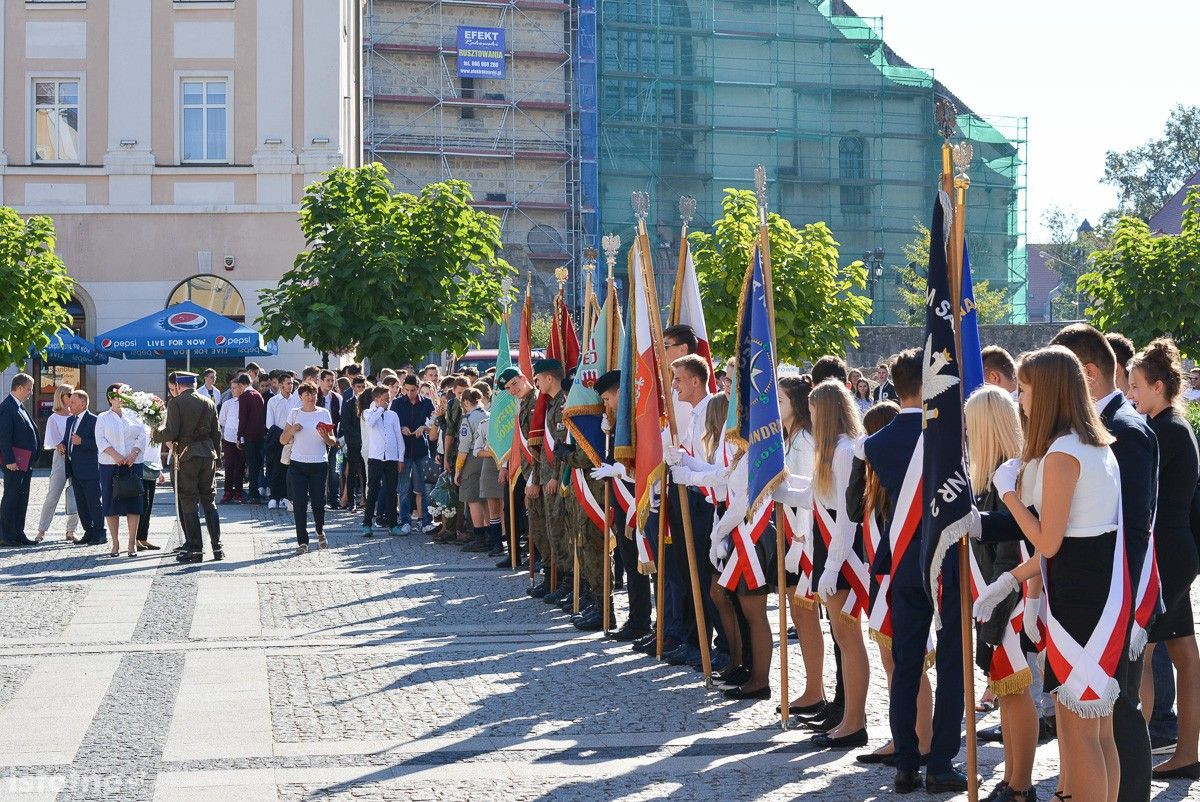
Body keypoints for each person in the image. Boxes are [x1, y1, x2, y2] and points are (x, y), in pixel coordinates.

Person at [974, 345, 1125, 802]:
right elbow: (1072, 539)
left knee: (1081, 734)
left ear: (1050, 394)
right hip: (1095, 589)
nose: (1019, 399)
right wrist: (1014, 579)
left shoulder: (1063, 452)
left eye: (1023, 390)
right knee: (1097, 729)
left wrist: (1009, 494)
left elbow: (1050, 541)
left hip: (1080, 599)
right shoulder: (1095, 444)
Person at [1048, 323, 1157, 802]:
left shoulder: (1126, 430)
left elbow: (1132, 528)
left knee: (1118, 713)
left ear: (1088, 373)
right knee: (1099, 717)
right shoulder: (1099, 428)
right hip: (1098, 590)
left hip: (1110, 595)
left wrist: (1127, 607)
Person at [863, 347, 967, 793]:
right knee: (950, 663)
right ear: (927, 387)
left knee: (905, 666)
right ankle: (941, 760)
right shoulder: (949, 436)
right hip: (946, 563)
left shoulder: (876, 443)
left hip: (904, 564)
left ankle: (906, 759)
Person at [1127, 337, 1200, 780]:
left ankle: (1136, 759)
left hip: (1166, 555)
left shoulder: (1163, 429)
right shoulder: (1172, 424)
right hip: (1176, 551)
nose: (1131, 394)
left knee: (1140, 650)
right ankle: (1186, 751)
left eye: (1135, 386)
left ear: (1158, 386)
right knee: (1183, 654)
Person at [965, 385, 1039, 801]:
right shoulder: (990, 473)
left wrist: (993, 612)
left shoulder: (1007, 473)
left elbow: (1010, 555)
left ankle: (1021, 784)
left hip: (1007, 598)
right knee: (1007, 694)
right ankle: (1011, 779)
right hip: (994, 597)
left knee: (1015, 691)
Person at [805, 379, 870, 749]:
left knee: (848, 638)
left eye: (814, 410)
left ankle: (854, 722)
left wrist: (831, 567)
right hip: (830, 552)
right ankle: (849, 719)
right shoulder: (828, 451)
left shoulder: (845, 451)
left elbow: (847, 517)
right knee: (843, 638)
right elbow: (814, 495)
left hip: (842, 555)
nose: (810, 417)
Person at [158, 372, 222, 564]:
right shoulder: (209, 402)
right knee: (209, 501)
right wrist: (217, 458)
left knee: (188, 500)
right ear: (194, 384)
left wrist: (155, 432)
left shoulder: (176, 403)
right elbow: (216, 433)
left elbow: (171, 432)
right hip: (208, 455)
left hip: (187, 456)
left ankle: (195, 548)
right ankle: (217, 547)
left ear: (178, 385)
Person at [280, 381, 336, 554]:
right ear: (301, 397)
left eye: (313, 394)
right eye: (307, 395)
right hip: (298, 464)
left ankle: (319, 530)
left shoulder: (324, 413)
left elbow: (333, 442)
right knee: (299, 503)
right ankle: (302, 541)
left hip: (319, 463)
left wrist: (326, 436)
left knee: (319, 502)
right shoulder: (295, 413)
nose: (311, 397)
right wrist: (291, 431)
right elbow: (282, 439)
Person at [96, 384, 147, 558]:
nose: (119, 399)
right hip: (110, 464)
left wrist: (134, 453)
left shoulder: (134, 416)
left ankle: (132, 543)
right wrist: (115, 455)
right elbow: (100, 440)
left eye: (122, 396)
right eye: (116, 396)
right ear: (110, 398)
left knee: (134, 503)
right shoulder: (103, 417)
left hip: (133, 463)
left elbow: (143, 435)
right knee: (111, 504)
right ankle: (115, 542)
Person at [391, 374, 436, 535]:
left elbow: (434, 423)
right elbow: (391, 426)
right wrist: (401, 428)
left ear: (418, 388)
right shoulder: (396, 403)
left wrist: (423, 428)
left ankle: (425, 521)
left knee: (424, 488)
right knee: (404, 489)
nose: (410, 393)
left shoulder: (427, 403)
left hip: (421, 449)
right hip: (403, 451)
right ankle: (405, 520)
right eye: (407, 390)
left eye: (413, 390)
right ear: (403, 389)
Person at [62, 390, 106, 546]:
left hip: (90, 469)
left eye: (73, 402)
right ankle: (89, 531)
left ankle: (100, 533)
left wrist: (83, 442)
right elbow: (67, 439)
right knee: (81, 504)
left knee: (94, 502)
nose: (69, 405)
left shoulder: (94, 420)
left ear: (83, 403)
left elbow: (101, 444)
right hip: (74, 469)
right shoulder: (70, 421)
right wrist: (62, 445)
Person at [37, 384, 79, 543]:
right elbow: (51, 440)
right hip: (60, 458)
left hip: (77, 458)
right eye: (69, 394)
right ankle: (42, 530)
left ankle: (71, 530)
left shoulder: (76, 416)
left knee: (74, 494)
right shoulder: (53, 417)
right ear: (61, 397)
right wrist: (59, 445)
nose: (72, 397)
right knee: (53, 494)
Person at [0, 374, 39, 547]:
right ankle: (5, 535)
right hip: (14, 463)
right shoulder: (7, 407)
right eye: (29, 388)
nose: (31, 392)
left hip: (24, 463)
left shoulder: (19, 406)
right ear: (20, 388)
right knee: (11, 498)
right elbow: (4, 436)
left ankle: (18, 533)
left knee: (21, 498)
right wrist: (9, 460)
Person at [455, 388, 494, 553]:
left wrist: (458, 470)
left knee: (472, 499)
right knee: (485, 498)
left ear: (465, 402)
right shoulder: (489, 415)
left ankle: (479, 537)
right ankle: (490, 536)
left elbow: (464, 447)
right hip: (489, 458)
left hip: (473, 458)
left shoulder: (468, 419)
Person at [361, 385, 404, 537]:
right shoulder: (368, 412)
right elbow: (371, 423)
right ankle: (367, 524)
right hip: (376, 458)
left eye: (388, 399)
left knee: (392, 492)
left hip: (391, 458)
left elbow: (398, 437)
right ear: (377, 399)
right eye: (385, 399)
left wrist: (400, 457)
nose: (388, 402)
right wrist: (380, 408)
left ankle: (393, 524)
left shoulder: (393, 415)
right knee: (373, 491)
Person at [264, 373, 299, 510]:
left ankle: (285, 496)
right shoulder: (273, 401)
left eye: (292, 383)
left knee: (288, 469)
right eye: (288, 383)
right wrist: (282, 435)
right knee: (275, 469)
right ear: (280, 385)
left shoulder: (295, 401)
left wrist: (292, 434)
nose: (290, 386)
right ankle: (274, 497)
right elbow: (269, 423)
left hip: (293, 439)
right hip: (277, 438)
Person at [234, 373, 266, 504]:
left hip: (249, 435)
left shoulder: (244, 397)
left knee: (252, 465)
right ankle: (256, 492)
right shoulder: (258, 395)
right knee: (258, 465)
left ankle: (254, 494)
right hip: (260, 435)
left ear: (242, 385)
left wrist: (238, 436)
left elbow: (243, 418)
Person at [339, 375, 368, 511]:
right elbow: (346, 425)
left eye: (363, 387)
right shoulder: (349, 403)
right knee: (351, 473)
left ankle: (366, 498)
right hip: (354, 444)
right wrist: (357, 441)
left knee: (366, 472)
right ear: (353, 387)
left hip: (367, 444)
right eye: (358, 387)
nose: (361, 389)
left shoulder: (369, 403)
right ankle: (351, 501)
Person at [317, 369, 343, 509]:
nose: (330, 383)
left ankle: (334, 499)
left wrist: (339, 438)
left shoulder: (337, 398)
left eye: (332, 380)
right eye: (327, 380)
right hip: (317, 438)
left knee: (335, 471)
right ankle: (320, 498)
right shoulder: (314, 396)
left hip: (334, 438)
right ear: (320, 381)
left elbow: (341, 420)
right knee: (320, 470)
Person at [135, 435, 165, 551]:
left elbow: (155, 451)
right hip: (140, 465)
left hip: (152, 467)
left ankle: (143, 537)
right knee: (143, 503)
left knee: (149, 504)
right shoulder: (141, 422)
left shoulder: (157, 425)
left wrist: (160, 470)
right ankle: (135, 538)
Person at [218, 379, 243, 504]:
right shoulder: (227, 403)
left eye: (235, 388)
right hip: (229, 438)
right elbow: (222, 420)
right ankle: (228, 491)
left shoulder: (245, 402)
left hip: (242, 438)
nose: (233, 390)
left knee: (240, 466)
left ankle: (239, 491)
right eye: (231, 388)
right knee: (229, 465)